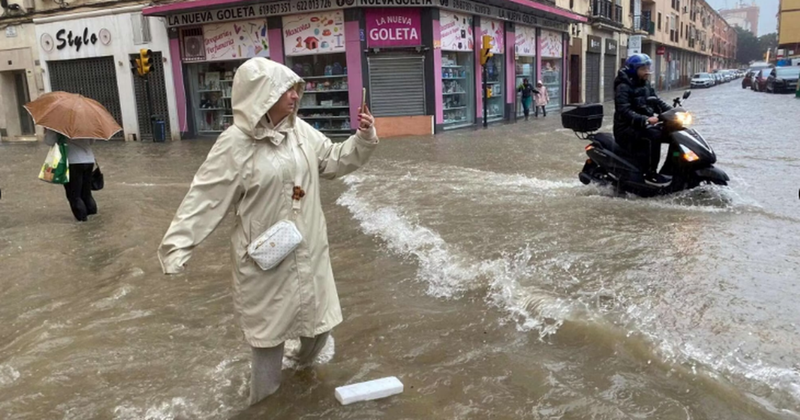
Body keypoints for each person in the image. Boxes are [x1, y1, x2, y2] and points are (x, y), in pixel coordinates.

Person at [157, 57, 378, 406]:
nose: (294, 96)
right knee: (268, 340)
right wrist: (178, 246)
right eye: (285, 90)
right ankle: (263, 407)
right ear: (262, 95)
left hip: (309, 250)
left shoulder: (300, 132)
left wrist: (363, 138)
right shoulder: (235, 144)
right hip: (265, 259)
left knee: (318, 328)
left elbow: (332, 160)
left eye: (295, 89)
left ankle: (298, 376)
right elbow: (205, 197)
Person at [613, 53, 673, 186]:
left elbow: (656, 101)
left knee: (672, 133)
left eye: (648, 68)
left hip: (641, 126)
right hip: (626, 129)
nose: (647, 71)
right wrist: (645, 119)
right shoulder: (623, 87)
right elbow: (624, 110)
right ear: (634, 70)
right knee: (654, 135)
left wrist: (672, 111)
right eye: (643, 69)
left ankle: (672, 170)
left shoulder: (645, 84)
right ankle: (650, 174)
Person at [43, 129, 97, 222]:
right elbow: (91, 141)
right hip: (89, 160)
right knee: (86, 193)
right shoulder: (86, 123)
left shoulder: (59, 125)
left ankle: (82, 222)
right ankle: (94, 220)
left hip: (72, 161)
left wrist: (48, 131)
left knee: (74, 195)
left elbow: (49, 141)